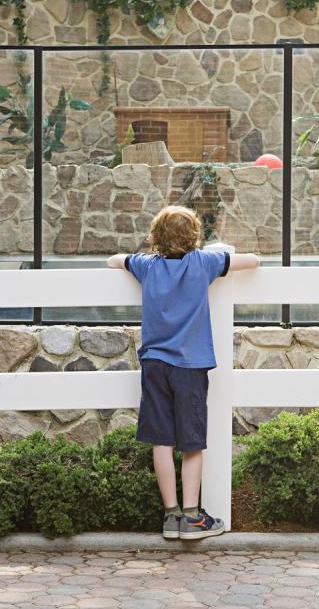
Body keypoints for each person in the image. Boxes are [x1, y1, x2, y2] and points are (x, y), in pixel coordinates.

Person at [108, 206, 259, 540]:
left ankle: (171, 515)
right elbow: (253, 261)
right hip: (190, 367)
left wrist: (127, 257)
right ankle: (192, 516)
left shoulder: (146, 266)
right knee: (192, 442)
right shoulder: (203, 262)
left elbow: (115, 260)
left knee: (161, 440)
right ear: (194, 237)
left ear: (156, 238)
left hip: (154, 365)